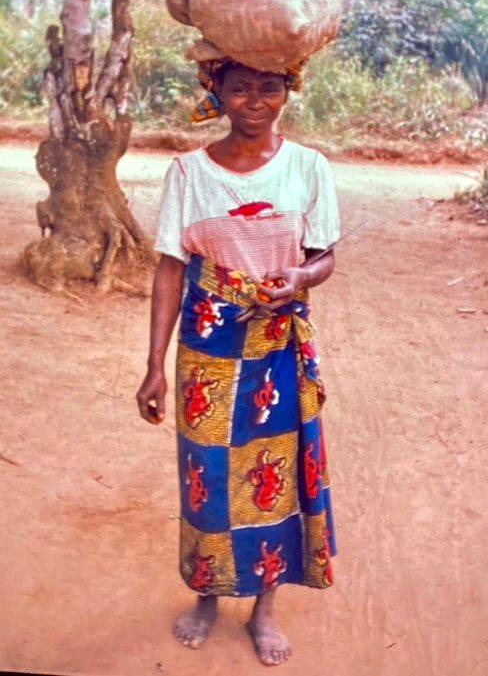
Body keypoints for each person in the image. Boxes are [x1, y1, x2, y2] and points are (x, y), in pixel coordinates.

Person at [136, 59, 341, 667]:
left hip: (275, 344)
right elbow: (172, 268)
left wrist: (301, 276)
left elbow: (323, 256)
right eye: (240, 86)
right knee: (207, 475)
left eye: (269, 87)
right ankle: (207, 594)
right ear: (217, 92)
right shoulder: (189, 173)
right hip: (207, 350)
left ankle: (264, 609)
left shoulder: (308, 167)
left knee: (270, 477)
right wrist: (153, 365)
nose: (255, 99)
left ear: (287, 92)